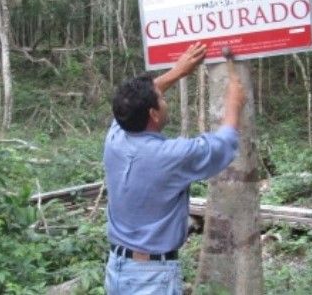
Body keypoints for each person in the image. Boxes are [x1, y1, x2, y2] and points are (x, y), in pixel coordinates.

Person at [103, 42, 245, 294]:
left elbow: (129, 104)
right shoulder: (171, 156)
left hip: (117, 268)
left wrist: (177, 72)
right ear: (154, 114)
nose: (164, 99)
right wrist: (234, 103)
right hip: (151, 279)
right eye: (162, 99)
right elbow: (223, 144)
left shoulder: (116, 138)